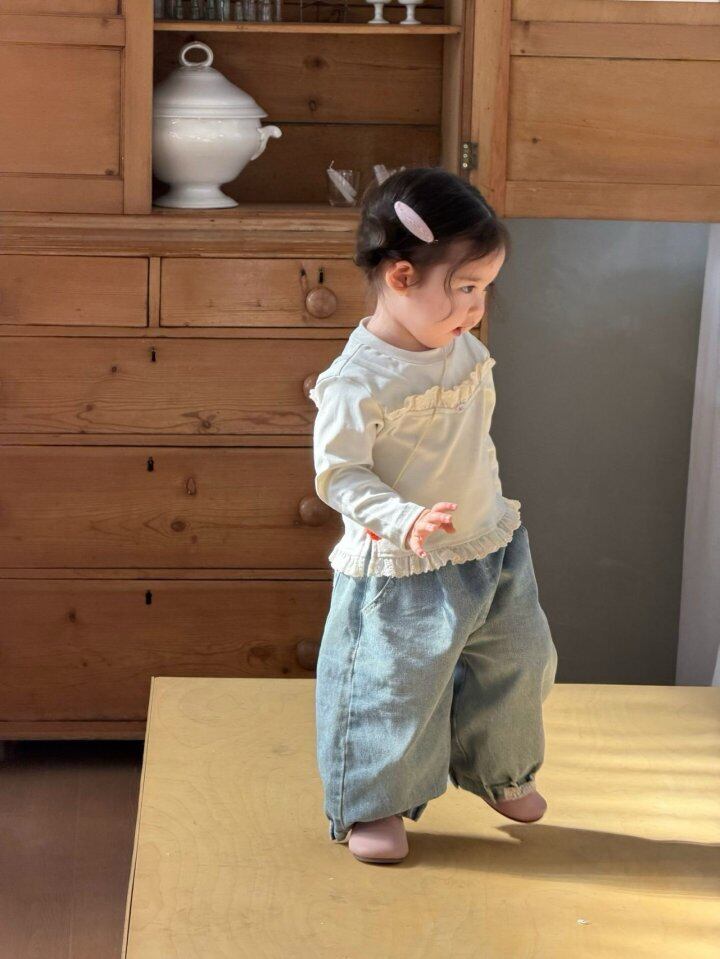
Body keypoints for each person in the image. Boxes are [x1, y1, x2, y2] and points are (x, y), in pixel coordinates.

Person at [308, 166, 558, 865]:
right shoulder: (357, 380)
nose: (477, 306)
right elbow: (340, 473)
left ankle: (500, 771)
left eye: (485, 288)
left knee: (519, 660)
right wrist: (401, 517)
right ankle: (374, 802)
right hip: (404, 564)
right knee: (395, 687)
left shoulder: (460, 344)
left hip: (488, 542)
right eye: (466, 287)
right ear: (401, 276)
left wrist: (481, 505)